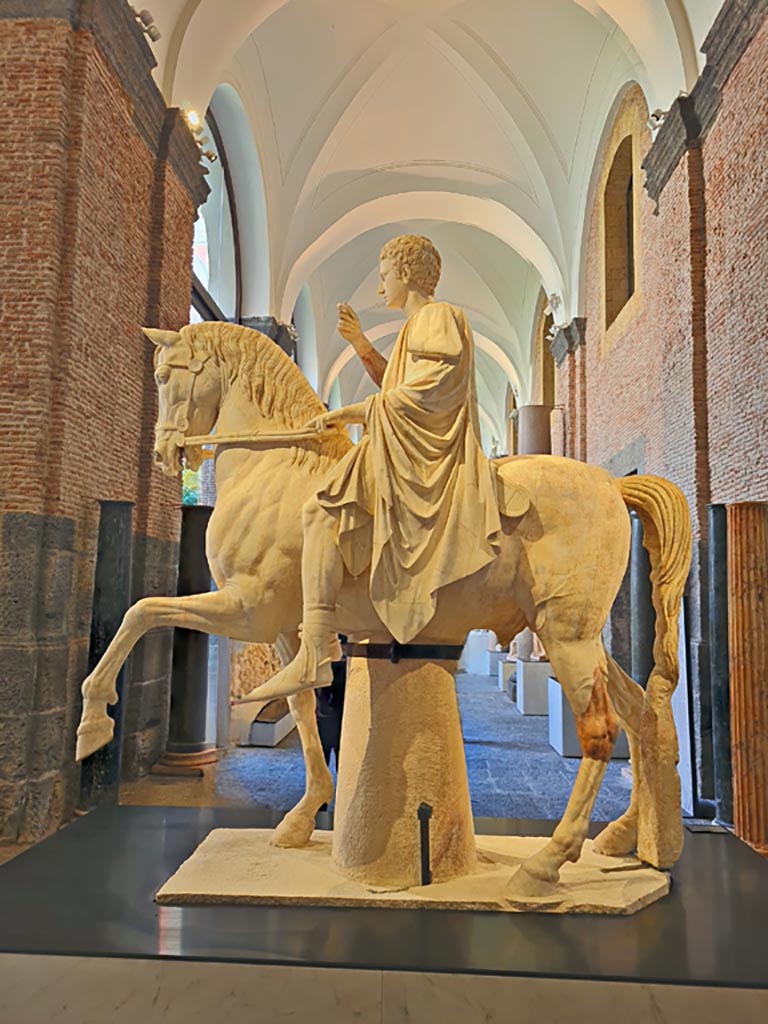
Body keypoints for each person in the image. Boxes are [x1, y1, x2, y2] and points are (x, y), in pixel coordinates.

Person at [255, 234, 502, 699]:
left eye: (384, 274)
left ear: (406, 272)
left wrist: (353, 412)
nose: (379, 286)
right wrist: (359, 342)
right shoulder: (418, 326)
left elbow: (429, 390)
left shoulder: (437, 316)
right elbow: (397, 384)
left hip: (420, 453)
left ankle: (316, 646)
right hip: (401, 443)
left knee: (320, 512)